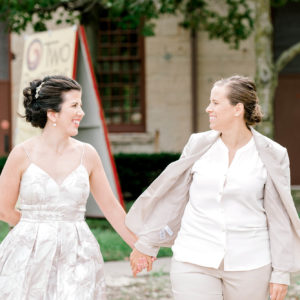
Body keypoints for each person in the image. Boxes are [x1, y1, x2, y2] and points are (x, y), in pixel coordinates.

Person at [127, 75, 300, 300]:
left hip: (250, 263)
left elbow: (279, 217)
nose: (208, 109)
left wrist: (281, 272)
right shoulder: (198, 145)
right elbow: (175, 199)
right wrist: (148, 243)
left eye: (215, 103)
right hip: (193, 258)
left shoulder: (273, 154)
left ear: (237, 109)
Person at [0, 75, 152, 299]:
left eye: (80, 105)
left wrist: (140, 247)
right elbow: (3, 208)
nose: (81, 112)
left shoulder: (87, 154)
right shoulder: (22, 153)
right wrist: (35, 228)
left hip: (77, 252)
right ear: (52, 114)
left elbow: (111, 207)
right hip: (29, 252)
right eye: (74, 105)